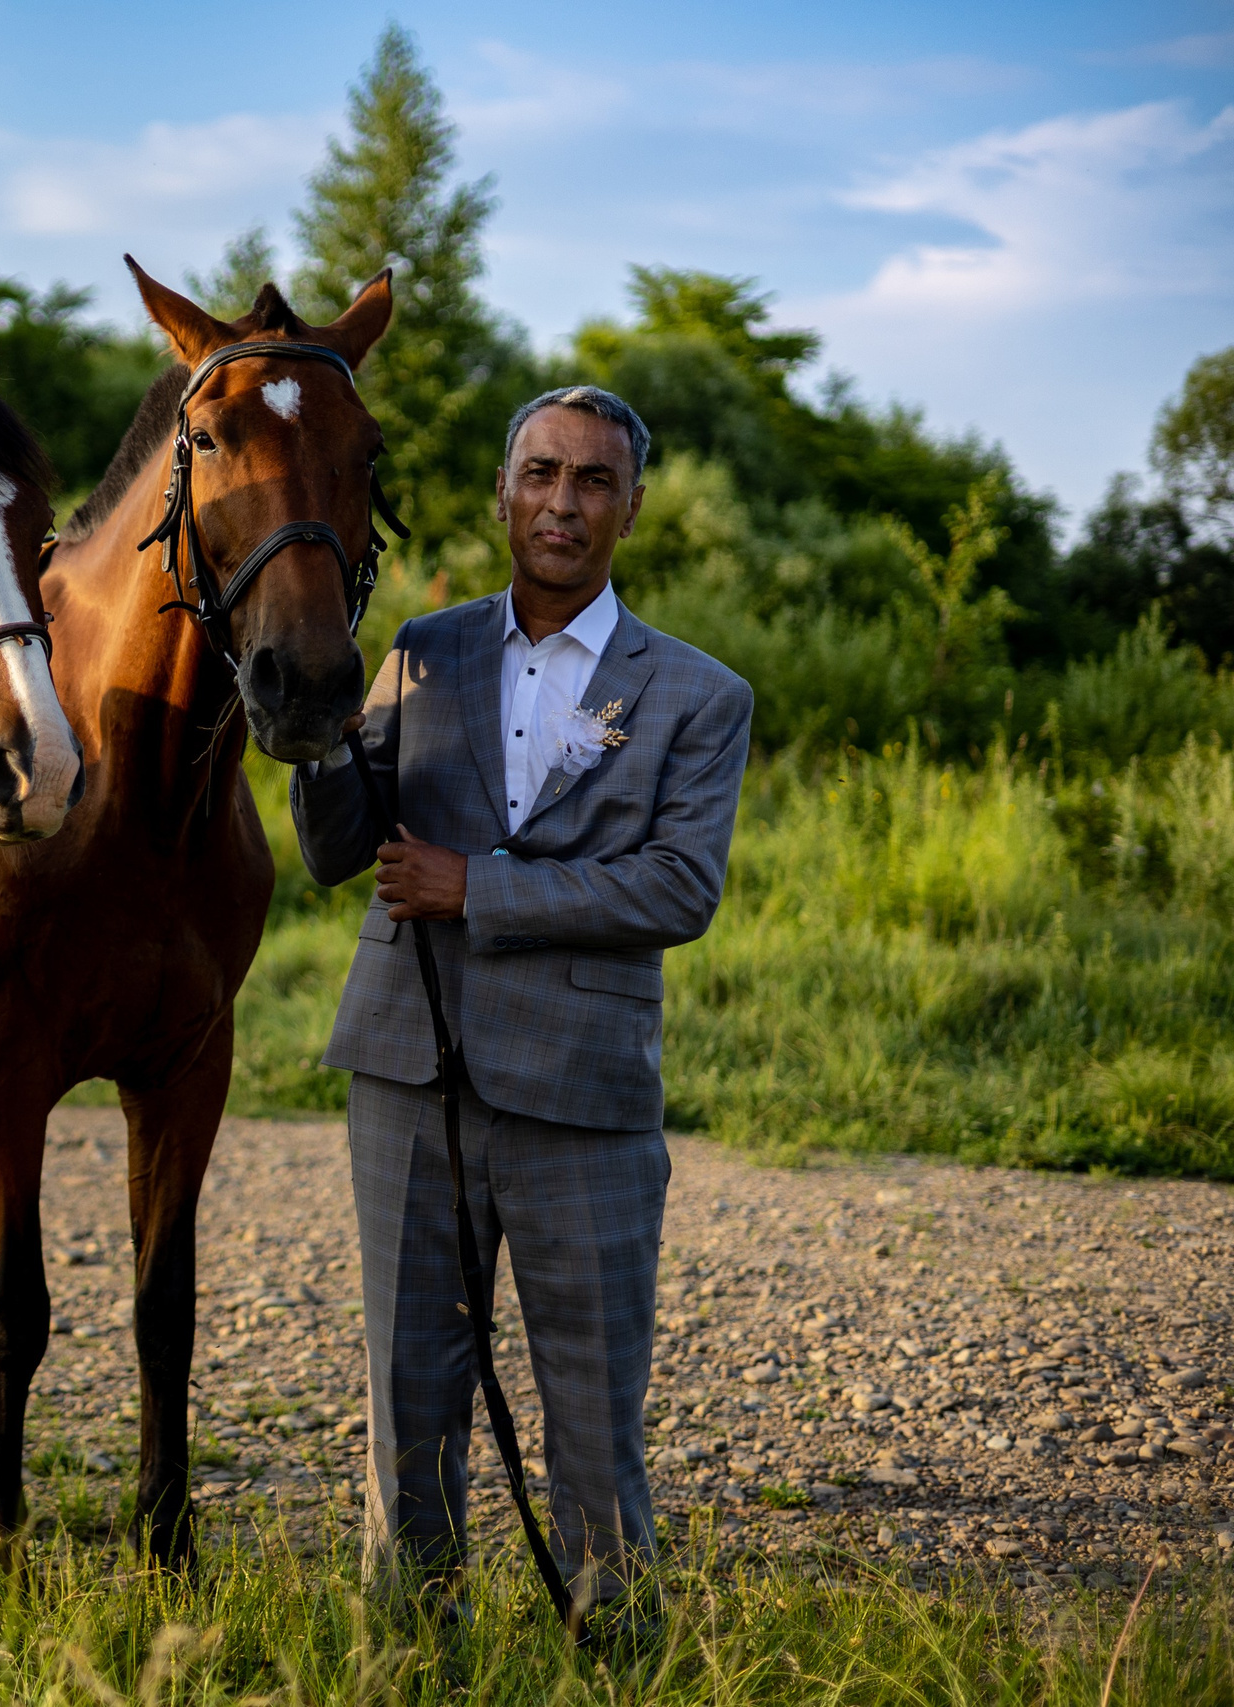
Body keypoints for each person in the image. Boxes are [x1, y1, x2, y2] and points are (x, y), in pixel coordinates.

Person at [289, 386, 751, 1642]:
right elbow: (336, 850)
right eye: (540, 472)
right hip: (405, 1064)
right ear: (503, 492)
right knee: (408, 1389)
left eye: (592, 480)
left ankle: (616, 1644)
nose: (561, 501)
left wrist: (474, 887)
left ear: (631, 506)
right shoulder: (420, 649)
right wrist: (315, 731)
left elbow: (676, 885)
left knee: (594, 1399)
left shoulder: (700, 696)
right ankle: (409, 1647)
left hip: (582, 1085)